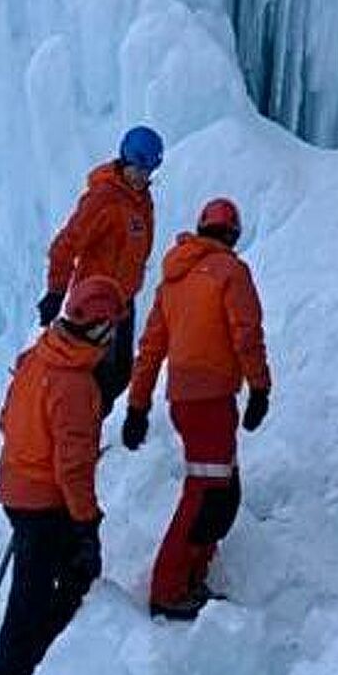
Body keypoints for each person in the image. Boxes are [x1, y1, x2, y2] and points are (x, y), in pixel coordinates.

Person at [0, 274, 122, 675]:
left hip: (17, 490)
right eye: (112, 329)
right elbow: (72, 470)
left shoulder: (37, 358)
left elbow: (6, 419)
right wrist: (86, 524)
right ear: (98, 329)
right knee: (40, 601)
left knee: (40, 593)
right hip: (45, 504)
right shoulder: (74, 384)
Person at [122, 197, 272, 619]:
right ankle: (169, 589)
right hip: (211, 402)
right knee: (207, 493)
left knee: (221, 490)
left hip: (186, 403)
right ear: (233, 234)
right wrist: (260, 387)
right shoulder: (230, 272)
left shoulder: (173, 280)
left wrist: (137, 406)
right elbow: (246, 333)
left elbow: (151, 348)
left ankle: (191, 575)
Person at [42, 125, 162, 416]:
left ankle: (86, 427)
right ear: (125, 160)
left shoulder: (142, 200)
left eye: (148, 171)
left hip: (122, 303)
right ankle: (77, 431)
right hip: (94, 305)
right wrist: (55, 292)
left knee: (119, 373)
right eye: (138, 168)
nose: (142, 176)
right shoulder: (103, 199)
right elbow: (65, 245)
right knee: (97, 378)